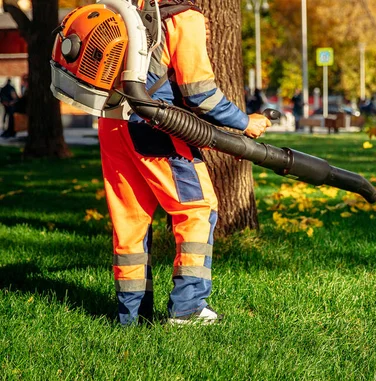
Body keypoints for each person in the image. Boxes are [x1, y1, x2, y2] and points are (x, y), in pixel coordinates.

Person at [99, 0, 271, 326]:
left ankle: (131, 317)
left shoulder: (123, 10)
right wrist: (244, 122)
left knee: (130, 224)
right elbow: (200, 93)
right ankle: (188, 309)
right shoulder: (182, 17)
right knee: (197, 209)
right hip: (157, 125)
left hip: (112, 123)